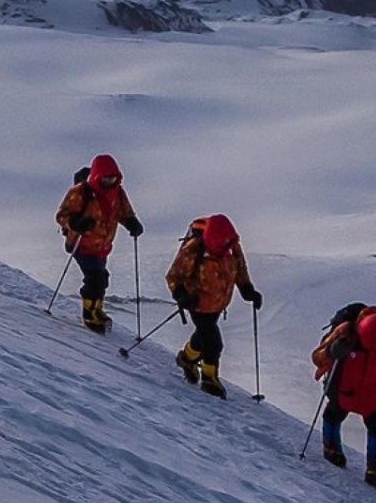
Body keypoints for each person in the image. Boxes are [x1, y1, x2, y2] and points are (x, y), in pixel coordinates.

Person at [164, 213, 260, 398]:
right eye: (222, 242)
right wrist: (181, 294)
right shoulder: (195, 248)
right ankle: (209, 378)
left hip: (217, 304)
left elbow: (240, 269)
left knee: (203, 336)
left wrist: (248, 290)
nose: (225, 246)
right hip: (197, 302)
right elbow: (174, 276)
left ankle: (187, 358)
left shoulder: (232, 247)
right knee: (213, 342)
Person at [54, 155, 141, 334]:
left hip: (102, 246)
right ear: (97, 176)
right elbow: (62, 215)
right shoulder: (81, 191)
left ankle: (96, 309)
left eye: (113, 177)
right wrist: (76, 223)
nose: (110, 181)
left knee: (102, 278)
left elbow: (125, 213)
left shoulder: (118, 193)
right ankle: (89, 314)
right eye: (106, 177)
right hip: (81, 243)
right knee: (95, 278)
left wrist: (132, 223)